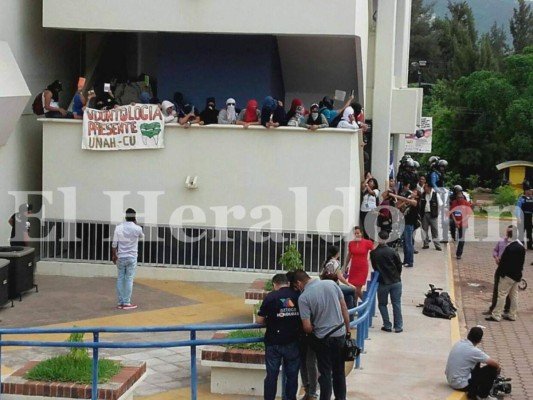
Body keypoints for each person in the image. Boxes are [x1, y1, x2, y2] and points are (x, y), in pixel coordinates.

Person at [293, 269, 351, 400]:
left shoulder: (304, 298)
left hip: (322, 339)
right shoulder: (331, 284)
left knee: (325, 373)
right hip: (340, 334)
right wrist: (347, 330)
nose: (298, 289)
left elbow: (307, 327)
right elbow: (344, 308)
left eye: (297, 287)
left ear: (299, 282)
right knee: (339, 372)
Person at [256, 274, 301, 400]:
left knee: (272, 376)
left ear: (274, 284)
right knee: (292, 376)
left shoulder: (271, 297)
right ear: (287, 283)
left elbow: (259, 320)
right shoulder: (297, 296)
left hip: (273, 342)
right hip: (293, 342)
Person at [445, 327, 500, 400]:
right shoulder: (473, 351)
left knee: (476, 361)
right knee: (492, 369)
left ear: (468, 335)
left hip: (450, 380)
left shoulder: (459, 343)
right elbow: (495, 364)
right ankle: (483, 396)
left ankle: (475, 390)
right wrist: (497, 371)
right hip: (460, 384)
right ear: (480, 340)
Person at [486, 226, 525, 322]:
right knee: (514, 295)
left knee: (502, 294)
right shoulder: (521, 247)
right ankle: (512, 314)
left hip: (507, 275)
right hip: (517, 275)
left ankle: (496, 314)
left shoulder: (509, 247)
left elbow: (503, 262)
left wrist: (500, 273)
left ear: (509, 235)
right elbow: (522, 262)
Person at [370, 230, 403, 333]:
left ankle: (387, 325)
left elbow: (375, 267)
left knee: (382, 304)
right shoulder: (393, 251)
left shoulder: (373, 253)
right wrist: (397, 275)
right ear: (388, 238)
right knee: (396, 304)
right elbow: (399, 265)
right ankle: (398, 326)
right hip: (395, 281)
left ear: (378, 239)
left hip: (383, 282)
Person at [111, 208, 144, 310]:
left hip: (121, 256)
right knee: (129, 279)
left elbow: (114, 244)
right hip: (132, 257)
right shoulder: (137, 228)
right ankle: (127, 302)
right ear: (134, 217)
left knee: (120, 278)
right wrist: (136, 224)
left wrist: (114, 255)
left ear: (125, 216)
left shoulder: (118, 228)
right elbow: (142, 237)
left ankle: (120, 302)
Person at [482, 225, 513, 316]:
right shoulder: (501, 242)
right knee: (496, 289)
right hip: (500, 268)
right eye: (508, 232)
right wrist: (496, 257)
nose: (508, 235)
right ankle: (493, 307)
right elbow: (495, 250)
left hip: (508, 270)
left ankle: (507, 309)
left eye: (510, 233)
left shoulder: (514, 244)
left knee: (507, 291)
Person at [320, 245, 357, 311]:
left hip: (324, 286)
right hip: (334, 287)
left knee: (348, 296)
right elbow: (340, 277)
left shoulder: (325, 262)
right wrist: (349, 284)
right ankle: (352, 311)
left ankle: (348, 311)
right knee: (353, 290)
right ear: (337, 253)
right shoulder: (336, 262)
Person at [390, 189, 420, 268]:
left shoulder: (415, 202)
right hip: (404, 224)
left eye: (414, 192)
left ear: (417, 196)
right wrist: (403, 202)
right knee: (404, 243)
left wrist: (395, 196)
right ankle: (406, 260)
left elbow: (406, 199)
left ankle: (410, 262)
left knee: (408, 243)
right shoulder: (409, 203)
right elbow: (398, 206)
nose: (412, 193)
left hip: (409, 225)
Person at [344, 226, 374, 300]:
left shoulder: (367, 242)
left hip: (362, 268)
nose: (356, 235)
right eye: (355, 233)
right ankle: (355, 308)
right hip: (353, 268)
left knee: (357, 289)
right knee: (353, 290)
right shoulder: (351, 243)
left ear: (361, 233)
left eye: (358, 233)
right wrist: (345, 266)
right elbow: (349, 255)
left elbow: (374, 253)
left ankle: (366, 301)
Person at [449, 192, 473, 259]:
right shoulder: (454, 203)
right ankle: (453, 237)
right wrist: (455, 221)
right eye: (458, 198)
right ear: (456, 198)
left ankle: (459, 254)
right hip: (455, 222)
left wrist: (460, 221)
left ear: (463, 197)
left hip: (463, 223)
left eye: (461, 197)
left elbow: (468, 214)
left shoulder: (466, 203)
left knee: (462, 238)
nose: (460, 199)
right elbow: (452, 213)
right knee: (451, 226)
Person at [420, 183, 443, 251]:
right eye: (424, 188)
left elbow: (440, 205)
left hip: (433, 215)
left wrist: (437, 213)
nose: (424, 189)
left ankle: (437, 245)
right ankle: (426, 244)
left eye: (425, 187)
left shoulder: (435, 195)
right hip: (424, 214)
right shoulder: (423, 195)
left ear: (429, 187)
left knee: (435, 230)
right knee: (424, 230)